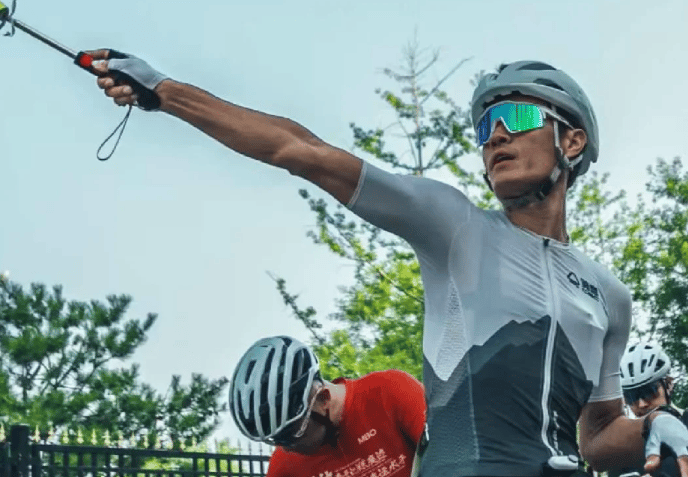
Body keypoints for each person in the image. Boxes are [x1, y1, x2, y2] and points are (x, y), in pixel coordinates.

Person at [87, 50, 688, 477]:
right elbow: (301, 151)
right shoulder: (455, 227)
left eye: (521, 117)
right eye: (486, 126)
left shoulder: (610, 295)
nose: (496, 135)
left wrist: (658, 425)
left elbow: (597, 437)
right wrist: (165, 92)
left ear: (572, 141)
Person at [228, 336, 426, 477]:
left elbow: (443, 452)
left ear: (323, 398)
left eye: (292, 433)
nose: (287, 448)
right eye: (277, 439)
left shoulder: (390, 392)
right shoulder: (284, 467)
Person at [609, 342, 688, 477]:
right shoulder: (622, 450)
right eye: (631, 396)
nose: (641, 404)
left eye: (649, 391)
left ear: (669, 385)